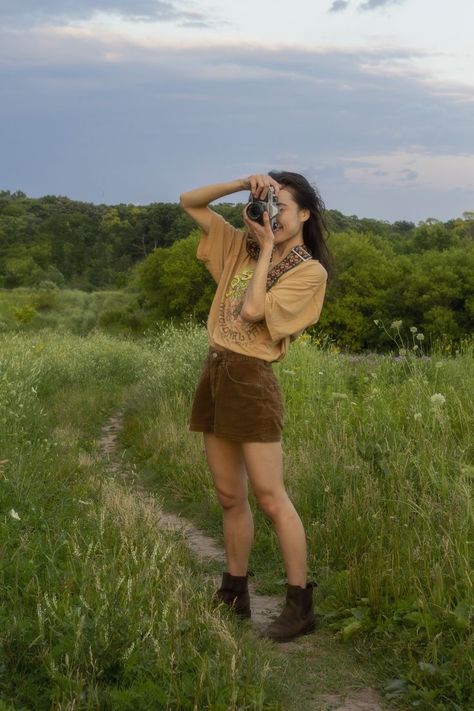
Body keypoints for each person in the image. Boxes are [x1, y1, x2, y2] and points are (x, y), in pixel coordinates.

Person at [179, 172, 332, 642]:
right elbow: (190, 202)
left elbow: (251, 311)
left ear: (304, 213)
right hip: (217, 370)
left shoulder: (309, 271)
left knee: (270, 497)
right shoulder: (239, 246)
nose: (273, 216)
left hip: (252, 379)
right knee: (229, 496)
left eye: (281, 206)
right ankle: (235, 592)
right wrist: (244, 182)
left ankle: (299, 603)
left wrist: (265, 248)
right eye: (266, 205)